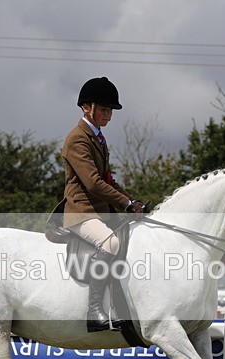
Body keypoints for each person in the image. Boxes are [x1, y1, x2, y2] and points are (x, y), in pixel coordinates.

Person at [52, 77, 147, 333]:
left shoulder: (98, 138)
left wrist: (132, 202)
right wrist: (125, 203)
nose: (109, 115)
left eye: (110, 111)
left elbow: (108, 180)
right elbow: (93, 184)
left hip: (101, 211)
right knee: (111, 243)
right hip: (82, 211)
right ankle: (94, 311)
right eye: (104, 109)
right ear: (86, 107)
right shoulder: (77, 139)